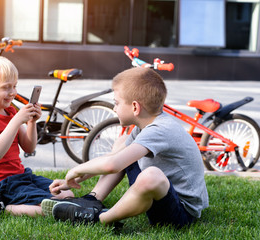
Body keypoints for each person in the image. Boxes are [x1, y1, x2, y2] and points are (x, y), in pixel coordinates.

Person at [42, 67, 209, 227]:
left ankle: (100, 218)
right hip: (162, 195)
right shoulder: (145, 125)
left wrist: (76, 170)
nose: (114, 108)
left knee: (151, 175)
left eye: (117, 103)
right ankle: (92, 200)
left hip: (181, 212)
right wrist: (70, 181)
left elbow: (112, 164)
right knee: (122, 144)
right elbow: (112, 159)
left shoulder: (160, 130)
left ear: (135, 107)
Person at [0, 54, 73, 217]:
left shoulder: (10, 111)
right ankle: (1, 206)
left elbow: (29, 147)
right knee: (50, 207)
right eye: (6, 87)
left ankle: (15, 202)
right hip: (1, 184)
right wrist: (16, 121)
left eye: (15, 86)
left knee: (67, 195)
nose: (13, 93)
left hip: (21, 175)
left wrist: (31, 122)